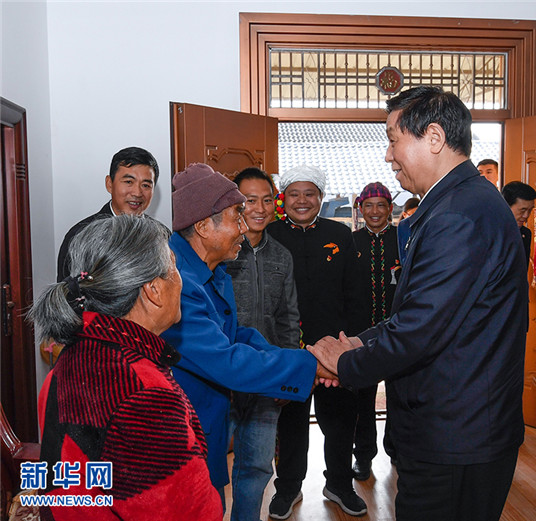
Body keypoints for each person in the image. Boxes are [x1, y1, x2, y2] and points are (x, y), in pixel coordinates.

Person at [309, 86, 528, 521]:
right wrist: (357, 342)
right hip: (453, 424)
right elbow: (415, 313)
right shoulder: (455, 203)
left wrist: (344, 363)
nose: (388, 156)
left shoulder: (458, 215)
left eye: (393, 140)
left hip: (456, 432)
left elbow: (419, 330)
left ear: (433, 138)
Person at [160, 163, 330, 508]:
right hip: (182, 428)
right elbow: (226, 360)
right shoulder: (177, 281)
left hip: (211, 414)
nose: (245, 225)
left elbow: (236, 334)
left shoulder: (211, 269)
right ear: (203, 226)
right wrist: (312, 366)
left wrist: (294, 359)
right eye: (237, 215)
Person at [30, 215, 223, 520]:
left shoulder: (74, 355)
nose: (181, 280)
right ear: (153, 289)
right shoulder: (142, 393)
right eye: (174, 267)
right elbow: (189, 512)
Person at [267, 165, 367, 519]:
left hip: (334, 349)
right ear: (284, 199)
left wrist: (351, 345)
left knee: (340, 421)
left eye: (310, 193)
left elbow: (356, 294)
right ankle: (288, 488)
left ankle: (339, 484)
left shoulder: (340, 234)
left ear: (321, 197)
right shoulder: (270, 234)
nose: (302, 201)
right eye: (294, 194)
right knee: (290, 422)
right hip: (288, 348)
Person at [225, 167, 301, 521]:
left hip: (265, 377)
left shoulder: (282, 256)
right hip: (222, 378)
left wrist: (287, 374)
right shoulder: (220, 250)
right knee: (208, 465)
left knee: (256, 467)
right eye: (249, 200)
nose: (259, 208)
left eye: (267, 200)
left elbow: (288, 319)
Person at [351, 182, 400, 480]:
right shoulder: (351, 242)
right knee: (363, 399)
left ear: (390, 209)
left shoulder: (403, 240)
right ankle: (363, 455)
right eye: (368, 206)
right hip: (361, 332)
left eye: (381, 205)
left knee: (399, 395)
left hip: (400, 332)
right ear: (360, 209)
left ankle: (397, 449)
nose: (375, 211)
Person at [56, 146, 159, 282]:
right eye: (129, 182)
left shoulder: (161, 236)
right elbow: (66, 291)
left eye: (146, 185)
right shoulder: (80, 235)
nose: (137, 193)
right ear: (109, 184)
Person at [501, 181, 536, 261]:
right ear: (506, 206)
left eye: (530, 210)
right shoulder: (491, 233)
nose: (526, 215)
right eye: (522, 210)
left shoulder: (525, 233)